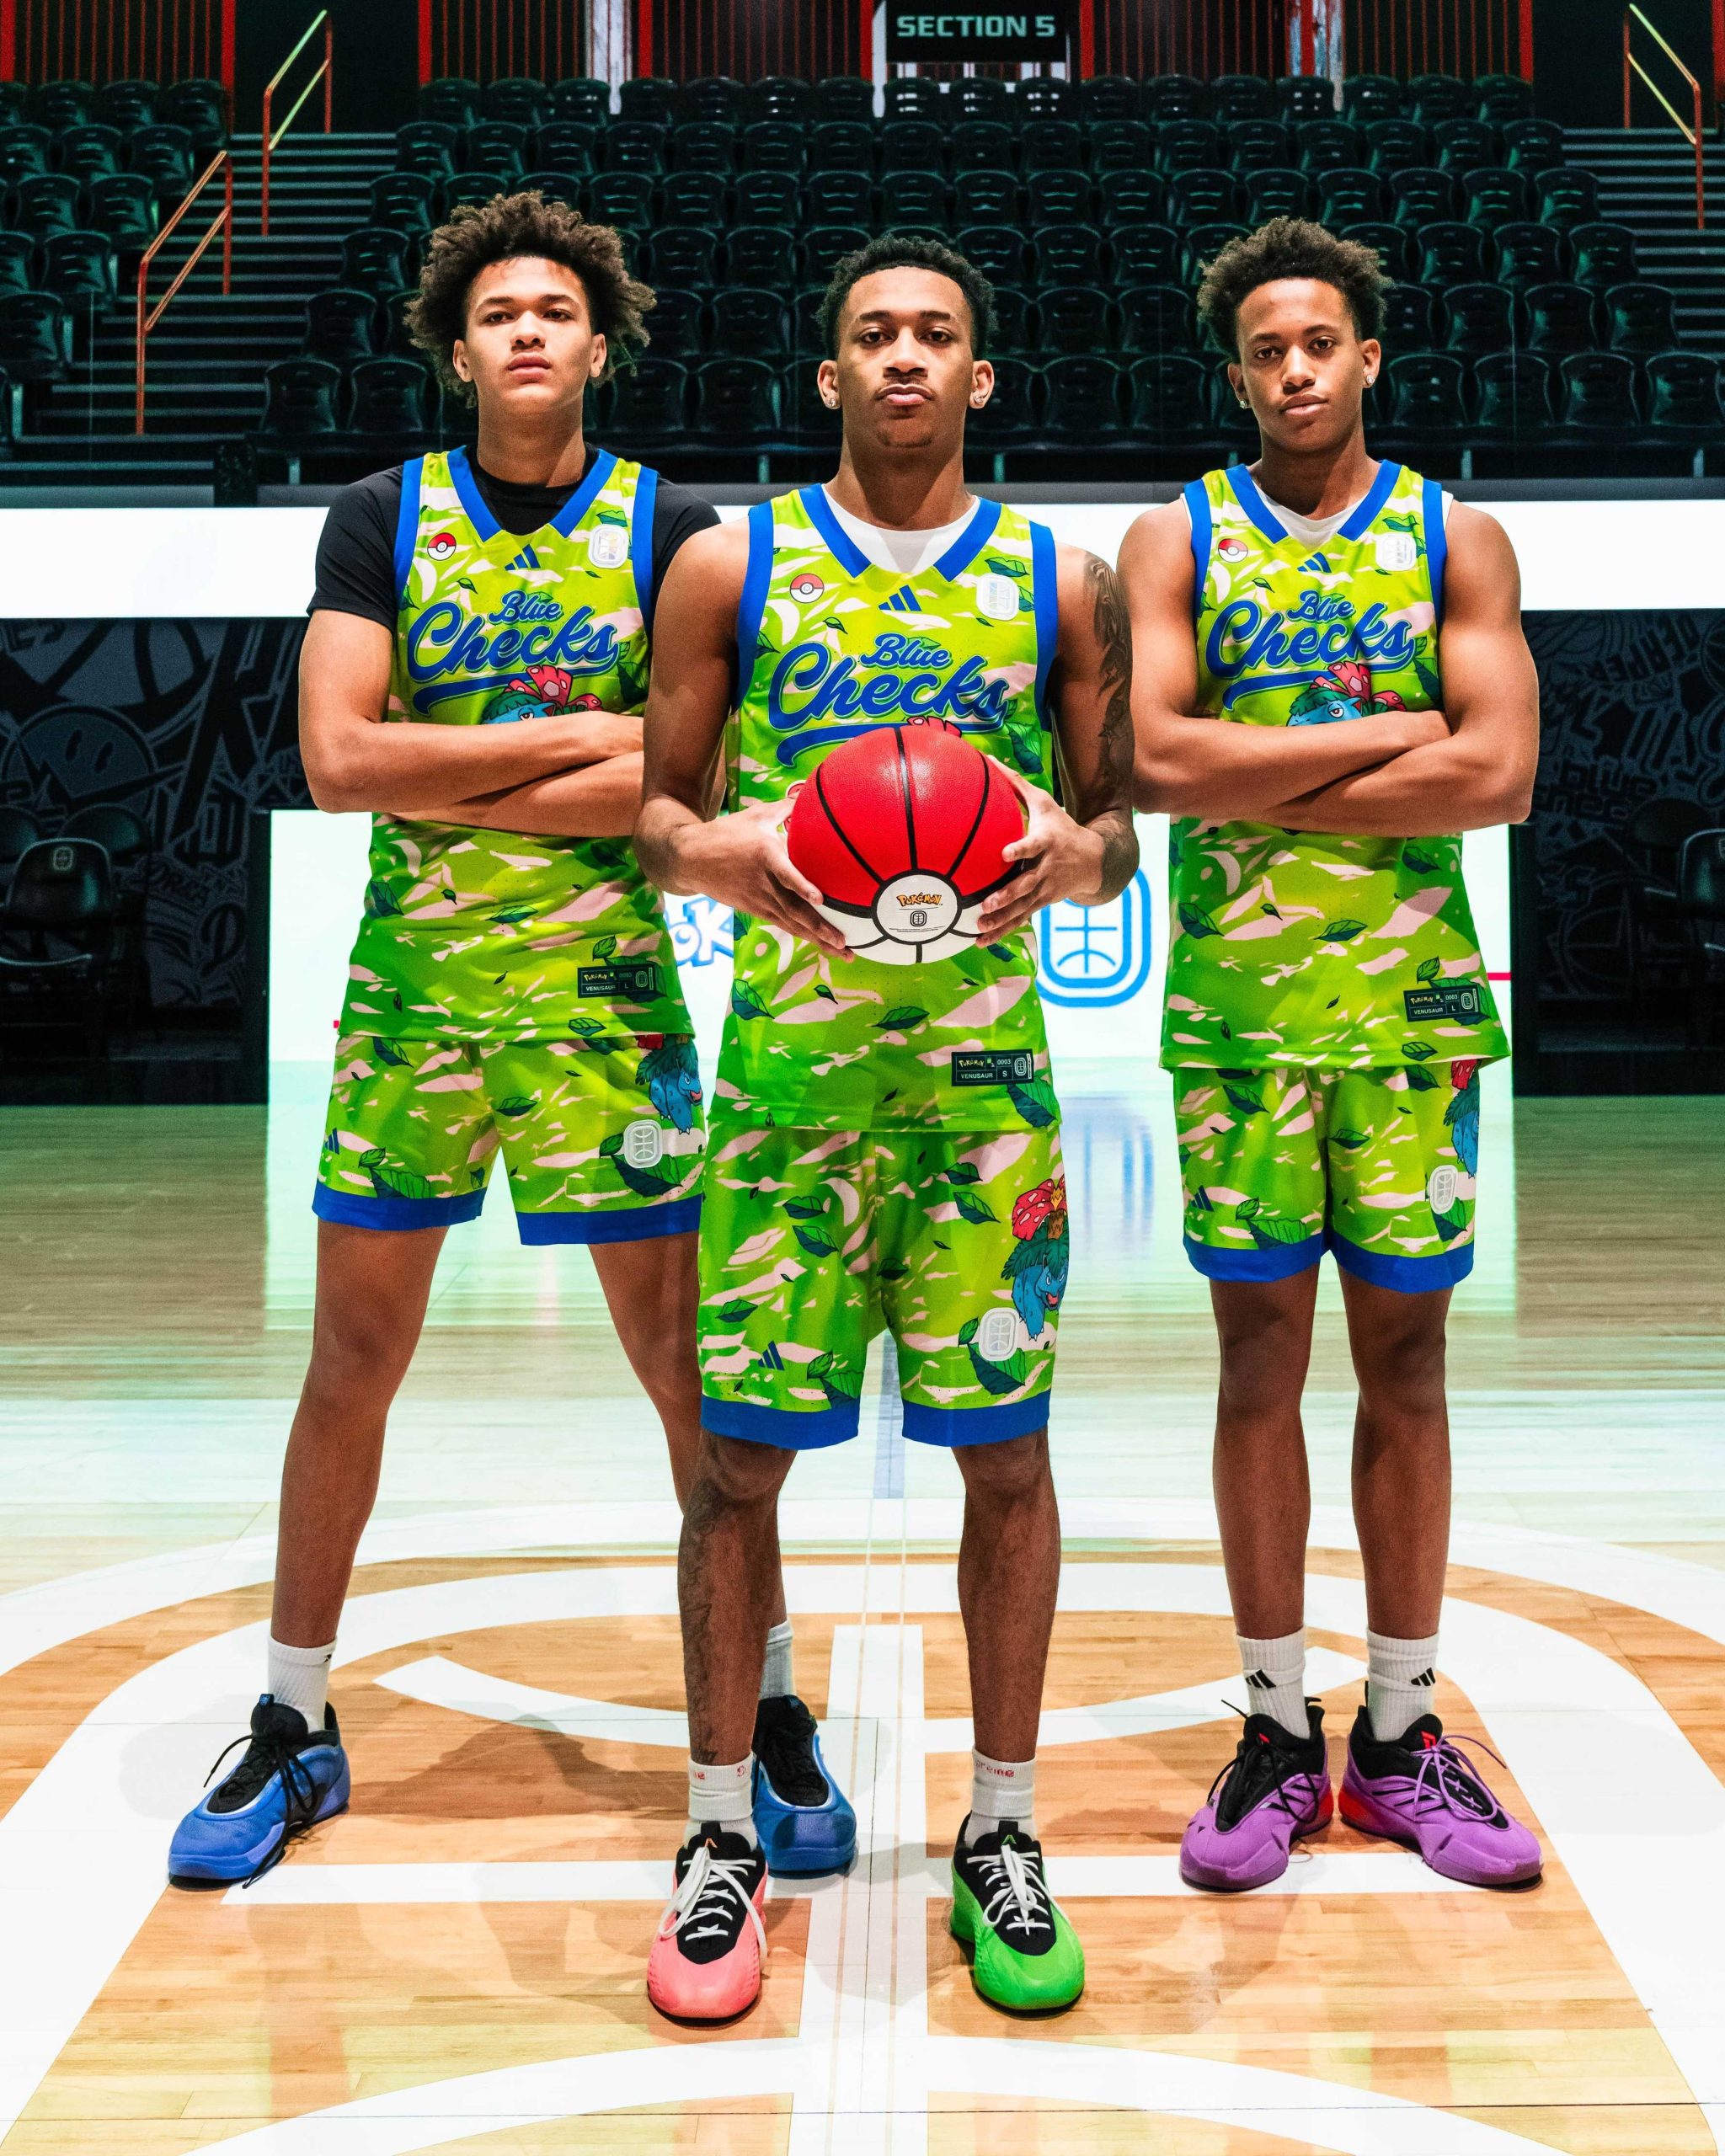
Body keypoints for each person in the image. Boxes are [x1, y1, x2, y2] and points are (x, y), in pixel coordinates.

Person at [168, 193, 846, 1888]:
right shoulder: (379, 515)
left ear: (598, 345)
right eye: (497, 315)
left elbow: (688, 784)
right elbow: (338, 762)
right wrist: (583, 741)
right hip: (415, 999)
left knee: (697, 1383)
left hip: (609, 1007)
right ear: (457, 350)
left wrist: (460, 762)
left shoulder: (674, 530)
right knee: (349, 1365)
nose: (527, 331)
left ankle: (763, 1703)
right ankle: (294, 1715)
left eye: (554, 310)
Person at [633, 232, 1139, 2020]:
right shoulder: (731, 564)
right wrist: (725, 852)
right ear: (828, 374)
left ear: (979, 377)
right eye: (873, 334)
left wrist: (1081, 852)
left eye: (936, 334)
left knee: (1008, 1463)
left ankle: (1003, 1824)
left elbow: (1114, 830)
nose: (905, 355)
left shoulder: (1062, 581)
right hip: (789, 1092)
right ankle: (718, 1836)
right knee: (734, 1470)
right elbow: (659, 817)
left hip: (985, 1103)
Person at [1119, 218, 1542, 1892]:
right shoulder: (1177, 536)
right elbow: (1156, 762)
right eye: (1265, 351)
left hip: (1413, 1020)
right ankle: (1275, 1724)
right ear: (1238, 376)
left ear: (1368, 356)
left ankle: (1401, 1726)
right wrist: (1389, 732)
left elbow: (1499, 774)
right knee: (1256, 1369)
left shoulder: (1454, 534)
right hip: (1238, 1020)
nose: (1294, 370)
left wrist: (1265, 764)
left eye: (1319, 343)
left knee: (1409, 1367)